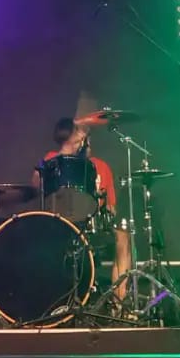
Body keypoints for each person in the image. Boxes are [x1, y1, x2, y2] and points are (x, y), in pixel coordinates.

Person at [32, 117, 132, 302]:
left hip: (92, 224)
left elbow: (111, 208)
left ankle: (119, 301)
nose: (87, 142)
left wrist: (103, 209)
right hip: (60, 223)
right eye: (81, 136)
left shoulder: (100, 166)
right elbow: (36, 186)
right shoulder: (52, 159)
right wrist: (64, 154)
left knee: (123, 236)